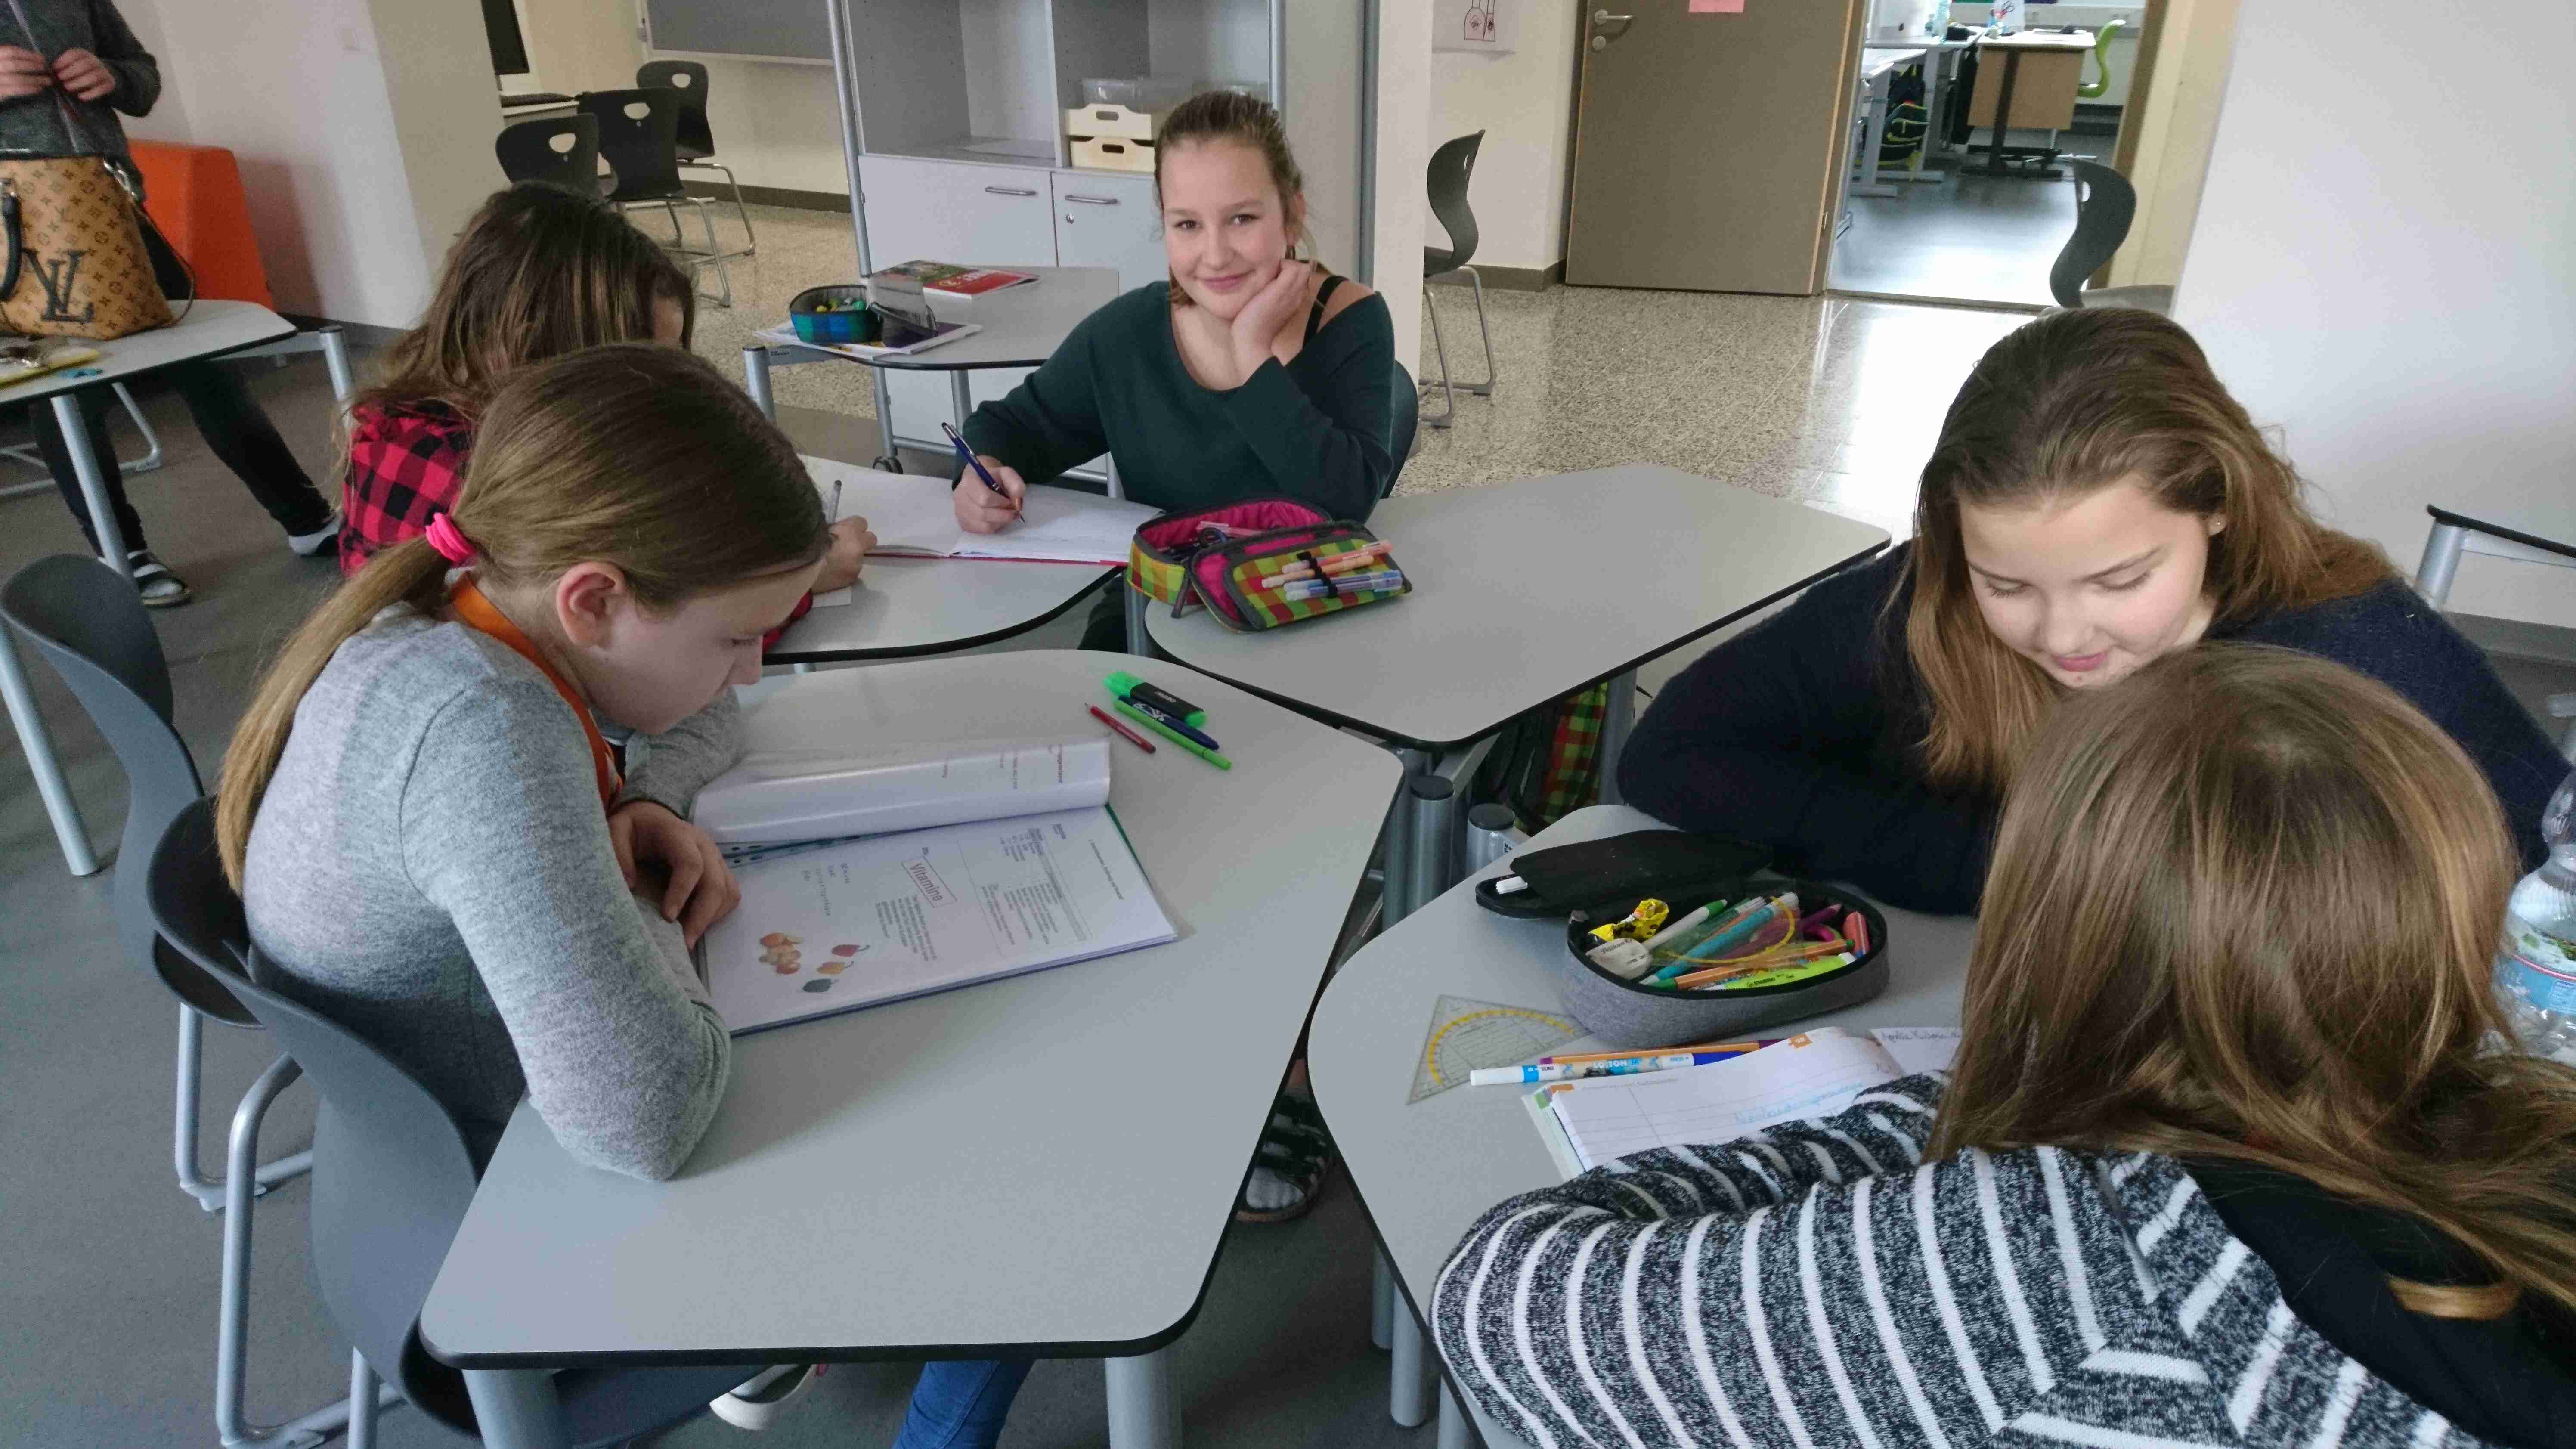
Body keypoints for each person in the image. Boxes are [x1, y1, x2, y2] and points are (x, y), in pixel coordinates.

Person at [1437, 645, 2576, 1449]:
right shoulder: (2539, 1132)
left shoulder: (2056, 1257)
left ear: (2045, 934)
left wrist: (1958, 1113)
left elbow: (1503, 1290)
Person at [217, 345, 1028, 1444]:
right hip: (526, 1245)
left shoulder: (455, 622)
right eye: (733, 634)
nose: (750, 667)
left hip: (421, 1185)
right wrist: (631, 876)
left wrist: (635, 797)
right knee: (1010, 1162)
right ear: (593, 599)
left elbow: (711, 716)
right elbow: (642, 1115)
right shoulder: (487, 733)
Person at [1617, 307, 2564, 915]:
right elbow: (1671, 752)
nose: (2062, 638)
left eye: (2119, 581)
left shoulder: (2354, 652)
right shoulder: (1919, 602)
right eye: (2007, 585)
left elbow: (2536, 883)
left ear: (2220, 507)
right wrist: (1990, 865)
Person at [957, 89, 1399, 654]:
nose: (1215, 255)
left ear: (1292, 215)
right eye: (1187, 225)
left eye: (1242, 218)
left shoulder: (1352, 321)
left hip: (1306, 627)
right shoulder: (1126, 333)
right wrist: (982, 474)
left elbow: (1345, 505)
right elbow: (1008, 428)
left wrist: (1252, 352)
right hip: (1163, 617)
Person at [338, 181, 869, 598]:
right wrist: (800, 581)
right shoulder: (460, 468)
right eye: (640, 374)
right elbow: (646, 633)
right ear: (539, 350)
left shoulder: (462, 426)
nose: (658, 397)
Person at [0, 0, 341, 606]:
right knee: (63, 387)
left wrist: (114, 75)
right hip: (15, 235)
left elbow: (142, 75)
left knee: (205, 361)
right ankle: (121, 549)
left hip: (112, 206)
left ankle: (307, 518)